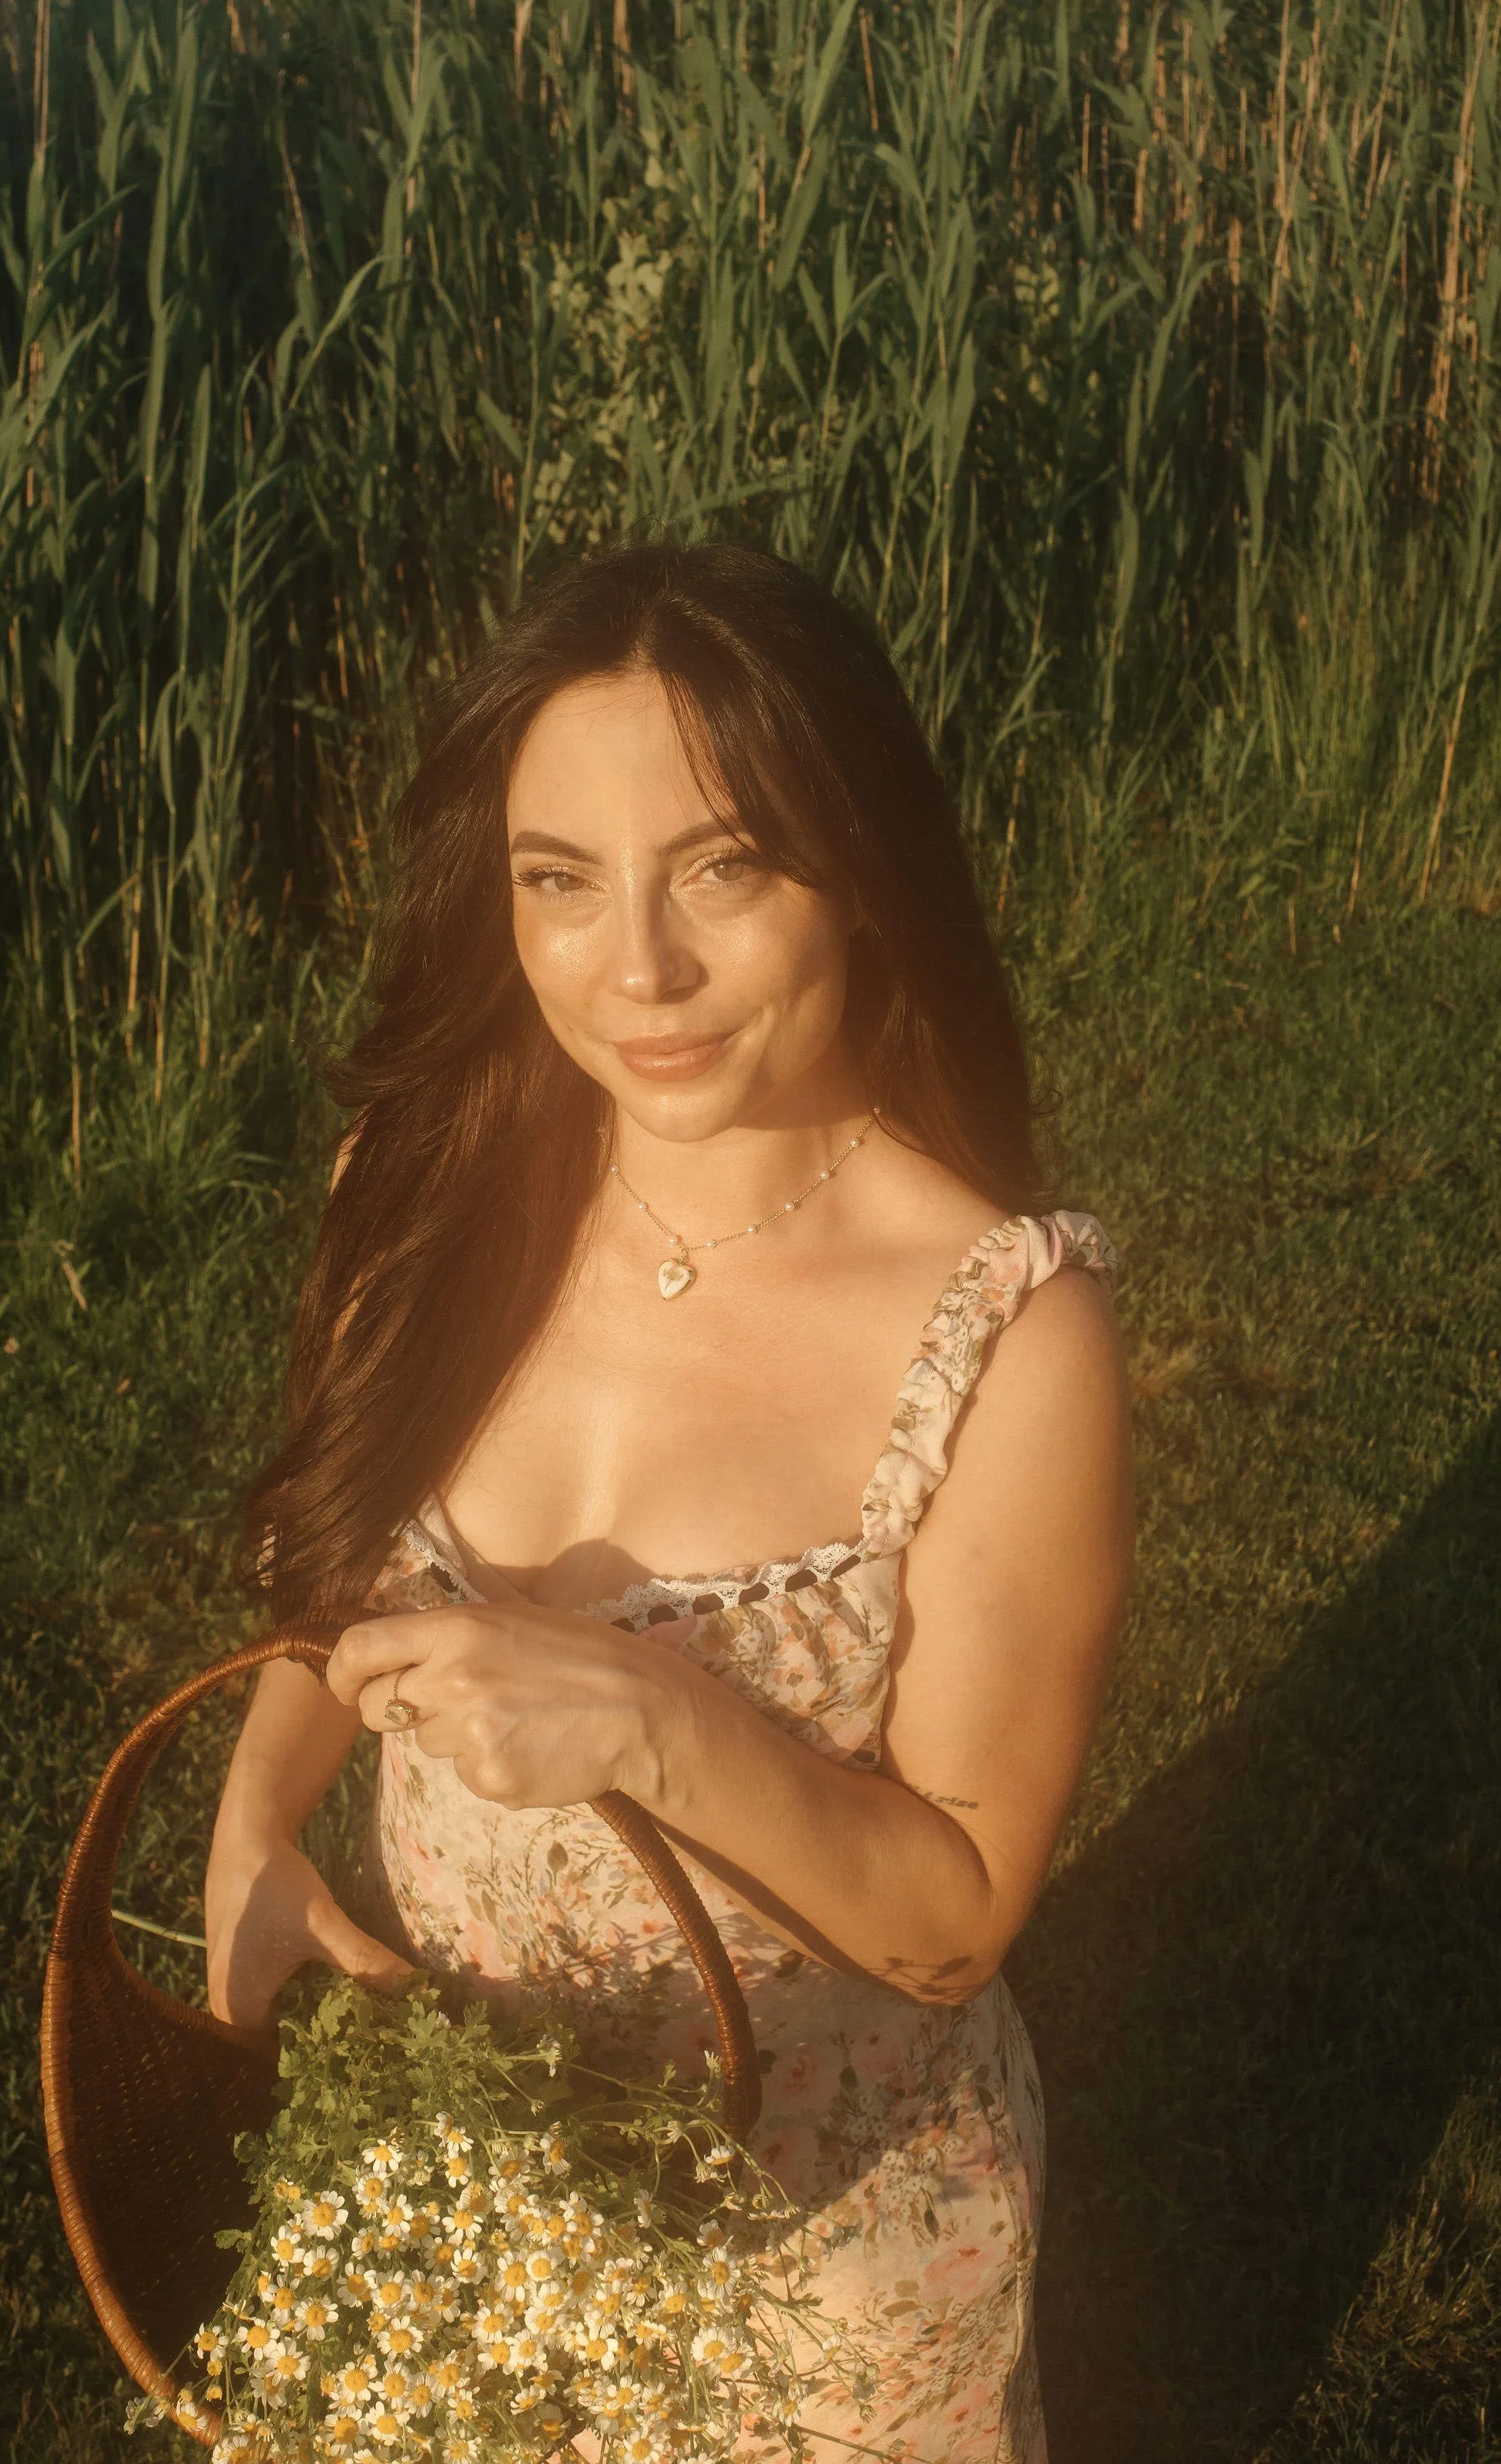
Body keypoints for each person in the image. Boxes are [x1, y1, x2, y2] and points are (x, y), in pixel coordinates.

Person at [204, 543, 1134, 2463]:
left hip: (826, 2252)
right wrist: (252, 1816)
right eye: (562, 882)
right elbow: (340, 1574)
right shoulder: (430, 1181)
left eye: (723, 866)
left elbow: (955, 1918)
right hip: (481, 2167)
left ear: (860, 867)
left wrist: (654, 1717)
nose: (638, 971)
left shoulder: (1005, 1340)